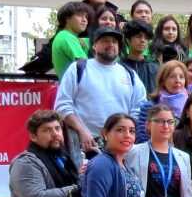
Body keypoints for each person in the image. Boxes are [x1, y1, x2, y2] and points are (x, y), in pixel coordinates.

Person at [54, 27, 147, 159]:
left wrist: (126, 134)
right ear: (94, 46)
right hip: (87, 145)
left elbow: (139, 108)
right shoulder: (78, 69)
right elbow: (62, 105)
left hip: (122, 148)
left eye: (114, 42)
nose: (110, 45)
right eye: (105, 41)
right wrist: (82, 132)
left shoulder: (129, 74)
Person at [134, 60, 190, 143]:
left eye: (181, 77)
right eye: (172, 76)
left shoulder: (191, 106)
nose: (177, 80)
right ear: (163, 81)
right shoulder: (149, 107)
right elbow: (142, 137)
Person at [50, 2, 90, 78]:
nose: (84, 20)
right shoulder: (66, 36)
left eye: (86, 17)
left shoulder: (70, 37)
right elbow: (85, 67)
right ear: (67, 18)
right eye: (79, 15)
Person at [123, 20, 158, 94]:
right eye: (138, 36)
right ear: (128, 40)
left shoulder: (154, 68)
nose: (142, 40)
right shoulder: (119, 67)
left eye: (146, 38)